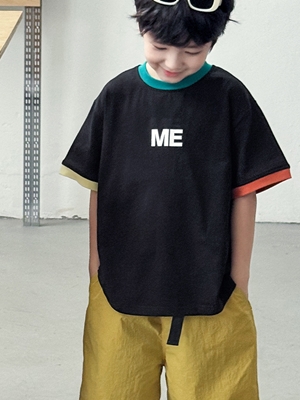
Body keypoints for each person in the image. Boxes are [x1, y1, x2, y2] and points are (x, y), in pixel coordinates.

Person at [60, 0, 291, 399]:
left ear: (213, 40)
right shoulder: (117, 97)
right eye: (160, 46)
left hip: (211, 295)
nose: (173, 61)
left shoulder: (229, 97)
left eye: (192, 50)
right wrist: (95, 266)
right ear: (141, 26)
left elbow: (245, 194)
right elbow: (99, 186)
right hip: (119, 293)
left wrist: (239, 279)